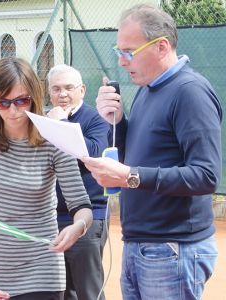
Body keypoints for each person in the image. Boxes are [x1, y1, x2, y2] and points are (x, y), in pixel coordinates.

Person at [82, 4, 222, 300]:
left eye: (129, 52)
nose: (121, 61)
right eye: (118, 51)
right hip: (142, 244)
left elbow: (206, 176)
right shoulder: (148, 89)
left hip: (172, 248)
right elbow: (141, 153)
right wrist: (117, 122)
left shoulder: (190, 92)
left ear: (161, 47)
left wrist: (130, 176)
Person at [0, 57, 93, 300]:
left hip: (43, 266)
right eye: (3, 103)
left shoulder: (54, 139)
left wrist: (78, 227)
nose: (14, 110)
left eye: (21, 100)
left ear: (35, 97)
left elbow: (81, 206)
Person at [47, 64, 110, 300]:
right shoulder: (47, 119)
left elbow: (93, 154)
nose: (62, 94)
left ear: (82, 90)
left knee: (88, 290)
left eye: (68, 88)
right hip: (52, 218)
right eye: (56, 89)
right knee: (63, 290)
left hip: (88, 216)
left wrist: (62, 124)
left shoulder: (95, 118)